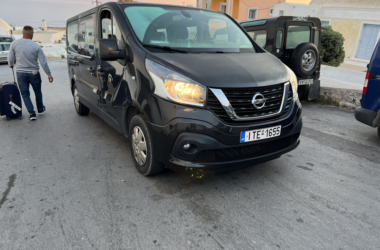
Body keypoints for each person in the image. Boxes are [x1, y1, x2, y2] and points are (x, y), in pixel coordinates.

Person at [7, 25, 53, 121]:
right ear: (32, 34)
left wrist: (11, 64)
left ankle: (32, 114)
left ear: (23, 33)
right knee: (38, 92)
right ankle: (40, 109)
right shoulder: (36, 46)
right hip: (34, 73)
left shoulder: (14, 43)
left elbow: (10, 59)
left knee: (25, 94)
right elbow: (43, 63)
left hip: (20, 73)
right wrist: (49, 74)